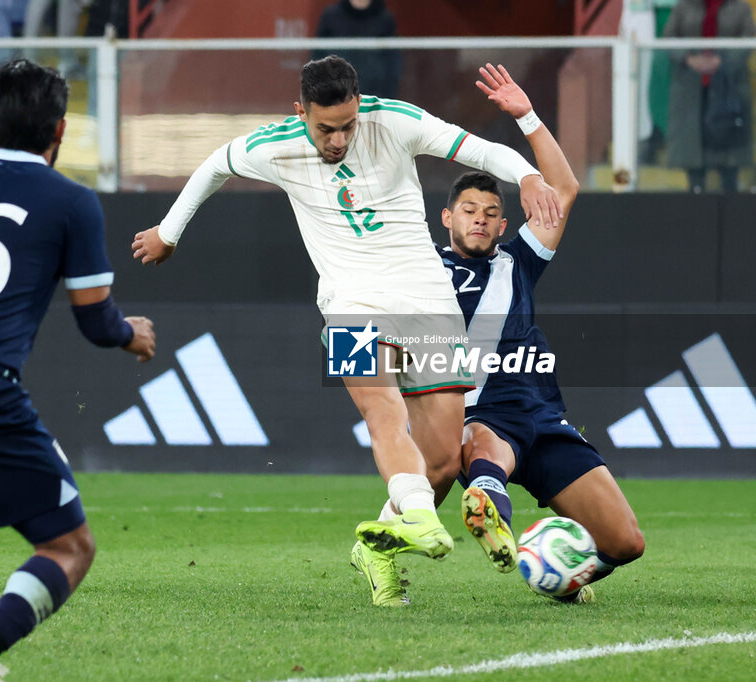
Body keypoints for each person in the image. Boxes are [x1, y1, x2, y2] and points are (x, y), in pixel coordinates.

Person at [131, 55, 562, 607]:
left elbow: (480, 150)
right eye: (325, 128)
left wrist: (526, 175)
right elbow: (216, 164)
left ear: (360, 107)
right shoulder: (275, 144)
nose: (338, 140)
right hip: (350, 306)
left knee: (441, 460)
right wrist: (169, 233)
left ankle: (379, 544)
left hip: (428, 302)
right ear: (301, 112)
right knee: (383, 413)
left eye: (347, 125)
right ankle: (424, 522)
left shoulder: (396, 121)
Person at [0, 59, 155, 682]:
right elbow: (97, 323)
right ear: (62, 132)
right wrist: (133, 336)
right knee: (70, 548)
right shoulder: (71, 202)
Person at [436, 64, 644, 604]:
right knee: (485, 454)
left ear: (504, 226)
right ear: (446, 219)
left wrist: (526, 116)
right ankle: (488, 509)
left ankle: (558, 572)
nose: (479, 220)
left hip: (543, 417)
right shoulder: (420, 266)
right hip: (477, 409)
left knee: (625, 542)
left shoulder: (518, 261)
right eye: (468, 211)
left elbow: (565, 189)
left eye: (490, 213)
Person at [663, 0, 756, 193]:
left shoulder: (740, 8)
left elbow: (749, 37)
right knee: (694, 155)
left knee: (729, 158)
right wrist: (690, 58)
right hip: (691, 91)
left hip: (728, 88)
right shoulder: (683, 7)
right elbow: (668, 38)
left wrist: (722, 60)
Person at [313, 0, 401, 99]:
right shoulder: (331, 16)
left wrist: (386, 96)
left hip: (375, 95)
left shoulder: (385, 18)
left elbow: (392, 62)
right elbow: (317, 57)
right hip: (337, 95)